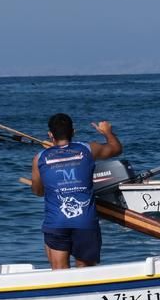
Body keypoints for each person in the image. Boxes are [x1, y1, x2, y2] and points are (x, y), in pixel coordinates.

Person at [30, 115, 122, 269]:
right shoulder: (88, 149)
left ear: (50, 135)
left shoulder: (40, 158)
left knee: (59, 272)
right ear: (73, 131)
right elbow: (116, 149)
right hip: (85, 221)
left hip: (56, 222)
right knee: (85, 271)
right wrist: (107, 132)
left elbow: (38, 191)